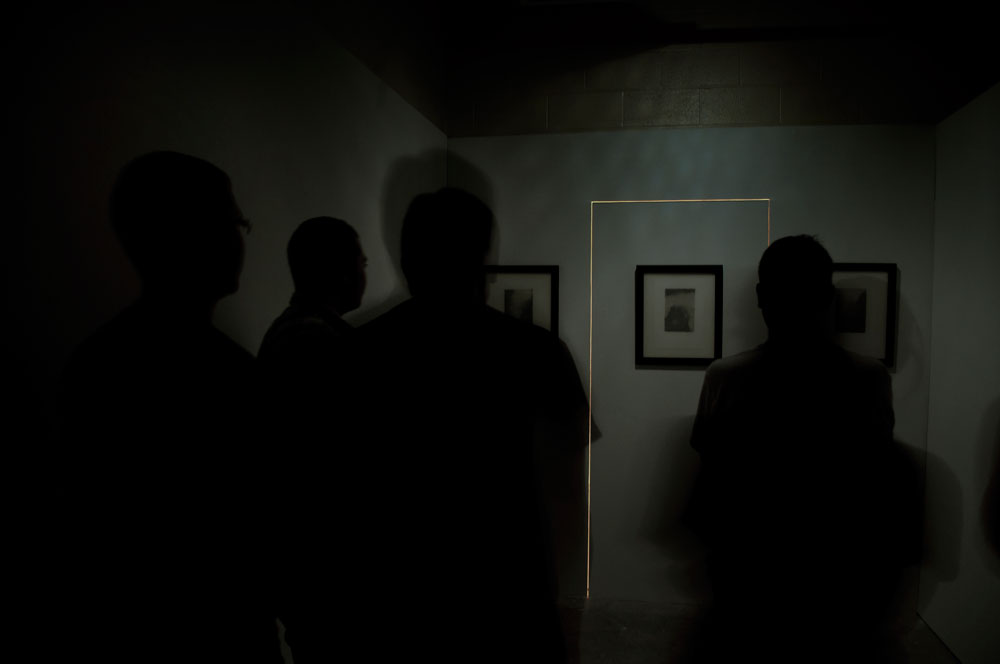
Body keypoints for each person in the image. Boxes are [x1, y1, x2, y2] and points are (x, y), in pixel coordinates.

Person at [56, 151, 280, 663]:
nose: (239, 240)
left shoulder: (95, 364)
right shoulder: (228, 375)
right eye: (231, 223)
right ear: (180, 234)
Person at [360, 188, 588, 663]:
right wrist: (565, 611)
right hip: (510, 599)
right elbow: (566, 496)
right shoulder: (537, 352)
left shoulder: (358, 352)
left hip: (397, 604)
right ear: (484, 260)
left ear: (406, 259)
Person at [686, 235, 913, 662]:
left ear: (761, 297)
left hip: (749, 570)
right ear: (826, 298)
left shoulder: (726, 377)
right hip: (836, 572)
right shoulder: (868, 379)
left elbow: (709, 468)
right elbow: (875, 475)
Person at [256, 216, 366, 663]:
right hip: (327, 569)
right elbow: (337, 460)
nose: (365, 272)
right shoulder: (318, 341)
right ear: (339, 271)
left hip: (307, 568)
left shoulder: (293, 331)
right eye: (361, 262)